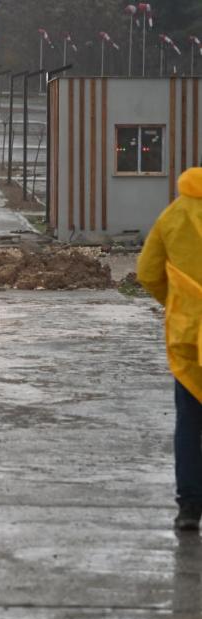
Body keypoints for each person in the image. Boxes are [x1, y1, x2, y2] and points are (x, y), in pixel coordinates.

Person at [138, 167, 202, 530]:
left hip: (189, 338)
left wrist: (176, 303)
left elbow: (148, 272)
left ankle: (190, 508)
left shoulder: (173, 215)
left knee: (190, 424)